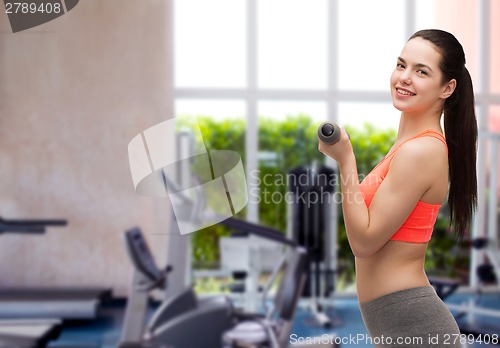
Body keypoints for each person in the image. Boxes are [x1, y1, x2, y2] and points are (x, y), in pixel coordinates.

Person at [318, 29, 477, 347]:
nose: (404, 77)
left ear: (447, 87)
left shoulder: (422, 151)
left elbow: (364, 242)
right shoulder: (406, 147)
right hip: (395, 319)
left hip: (415, 325)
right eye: (401, 65)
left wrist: (346, 160)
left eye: (421, 71)